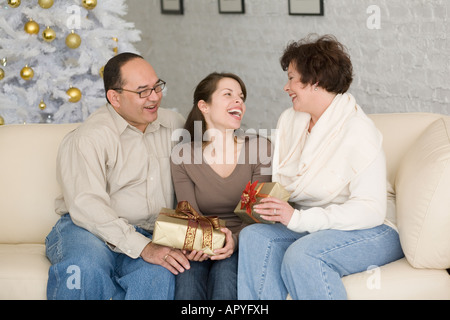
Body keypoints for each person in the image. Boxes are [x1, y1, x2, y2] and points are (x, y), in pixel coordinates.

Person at [237, 35, 404, 300]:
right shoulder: (290, 120)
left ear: (314, 81)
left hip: (372, 227)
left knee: (303, 255)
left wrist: (299, 219)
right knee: (255, 237)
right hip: (316, 221)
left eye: (292, 78)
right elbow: (285, 182)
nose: (286, 87)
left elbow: (370, 210)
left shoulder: (358, 131)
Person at [45, 52, 189, 300]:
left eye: (157, 87)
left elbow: (207, 166)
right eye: (142, 91)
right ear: (115, 97)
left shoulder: (174, 125)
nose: (154, 97)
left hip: (150, 231)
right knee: (85, 267)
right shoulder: (89, 137)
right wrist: (142, 247)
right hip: (87, 229)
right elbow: (87, 207)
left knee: (160, 275)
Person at [170, 72, 272, 300]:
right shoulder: (183, 155)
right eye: (228, 94)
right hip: (203, 239)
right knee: (187, 280)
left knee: (225, 278)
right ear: (204, 106)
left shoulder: (259, 149)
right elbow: (190, 215)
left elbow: (258, 216)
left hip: (245, 239)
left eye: (241, 97)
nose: (239, 101)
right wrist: (199, 242)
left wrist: (232, 241)